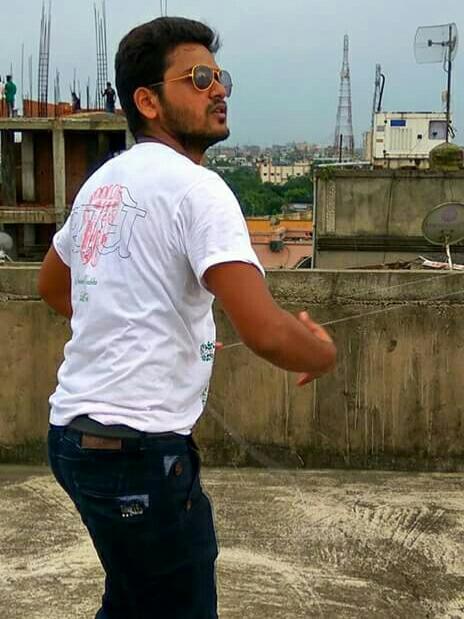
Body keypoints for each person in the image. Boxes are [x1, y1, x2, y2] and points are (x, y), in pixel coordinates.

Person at [38, 16, 336, 619]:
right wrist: (321, 353)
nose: (218, 89)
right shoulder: (200, 190)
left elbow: (52, 286)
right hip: (137, 453)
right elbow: (265, 331)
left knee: (133, 599)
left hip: (72, 439)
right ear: (147, 101)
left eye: (220, 77)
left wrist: (144, 325)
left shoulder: (103, 182)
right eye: (198, 78)